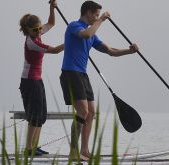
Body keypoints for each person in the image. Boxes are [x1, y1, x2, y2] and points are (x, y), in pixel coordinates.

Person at [60, 0, 139, 161]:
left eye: (98, 15)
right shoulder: (74, 26)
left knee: (91, 113)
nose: (96, 17)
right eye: (95, 15)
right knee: (82, 111)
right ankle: (73, 152)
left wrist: (129, 51)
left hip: (82, 75)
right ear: (88, 12)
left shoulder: (93, 34)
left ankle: (85, 150)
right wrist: (101, 19)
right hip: (70, 73)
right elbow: (86, 34)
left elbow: (111, 51)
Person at [17, 0, 65, 156]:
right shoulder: (32, 43)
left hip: (37, 80)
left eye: (39, 29)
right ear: (28, 30)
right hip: (29, 82)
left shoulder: (37, 32)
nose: (39, 32)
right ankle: (28, 148)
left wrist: (52, 7)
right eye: (35, 30)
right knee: (35, 115)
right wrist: (72, 40)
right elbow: (57, 50)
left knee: (41, 115)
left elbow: (51, 23)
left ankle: (34, 147)